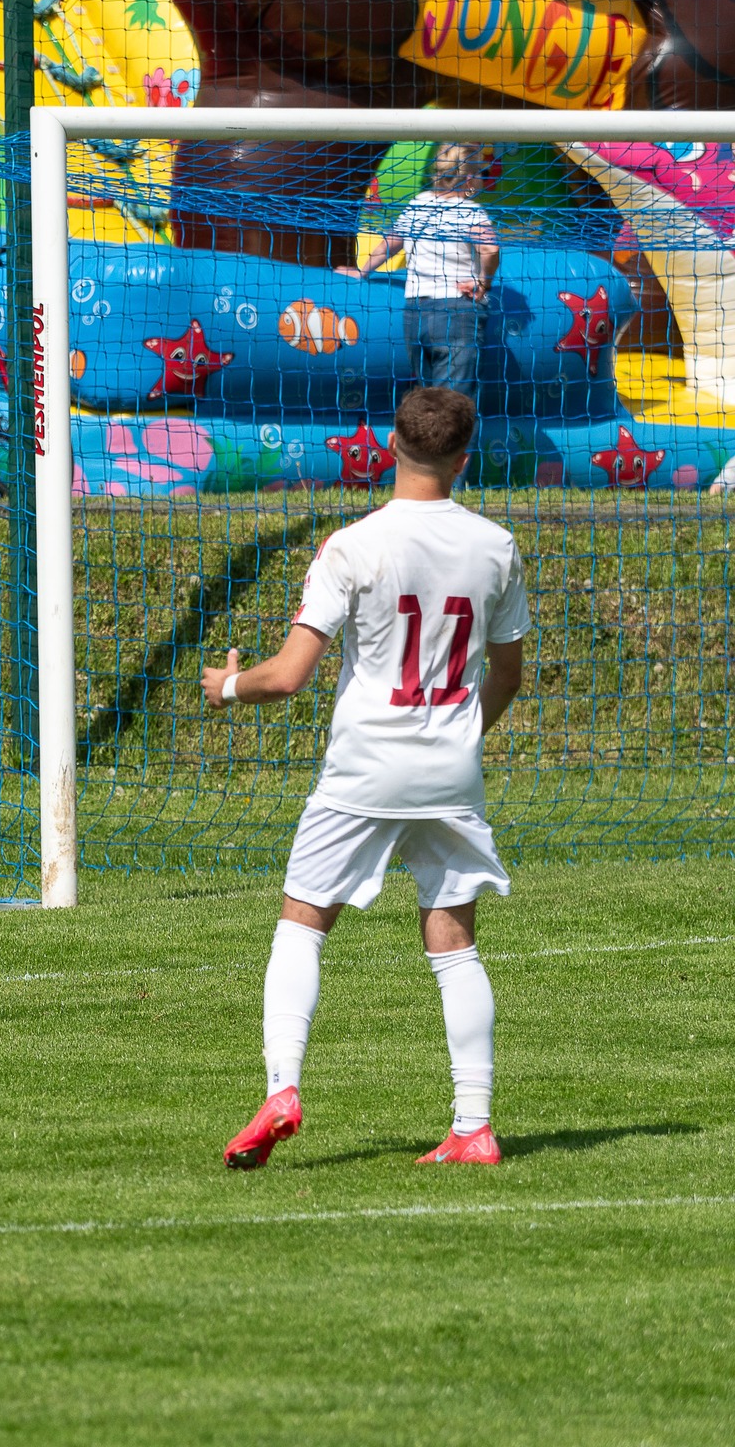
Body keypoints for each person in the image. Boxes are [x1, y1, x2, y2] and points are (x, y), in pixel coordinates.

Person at [202, 387, 527, 1170]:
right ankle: (473, 1125)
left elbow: (288, 676)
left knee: (302, 923)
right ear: (464, 458)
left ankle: (283, 1088)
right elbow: (509, 675)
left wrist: (228, 686)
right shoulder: (497, 546)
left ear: (390, 446)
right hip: (449, 771)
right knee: (454, 943)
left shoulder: (351, 546)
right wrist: (454, 737)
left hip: (364, 768)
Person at [340, 144, 499, 398]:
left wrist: (363, 271)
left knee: (428, 401)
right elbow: (490, 249)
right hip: (456, 312)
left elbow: (390, 243)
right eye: (481, 173)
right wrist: (483, 283)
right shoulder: (469, 211)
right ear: (469, 178)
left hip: (417, 313)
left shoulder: (418, 204)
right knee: (453, 404)